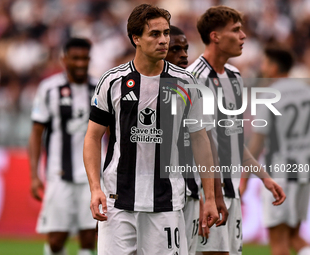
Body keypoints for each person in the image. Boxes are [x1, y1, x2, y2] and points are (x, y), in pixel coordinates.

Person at [83, 4, 219, 255]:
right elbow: (92, 137)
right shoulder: (112, 81)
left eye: (166, 33)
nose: (164, 40)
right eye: (155, 34)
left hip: (166, 203)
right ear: (136, 39)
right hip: (118, 202)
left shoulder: (185, 83)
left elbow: (201, 141)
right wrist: (95, 188)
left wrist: (209, 197)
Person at [186, 6, 286, 255]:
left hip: (230, 192)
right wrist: (206, 196)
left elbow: (232, 139)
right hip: (203, 195)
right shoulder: (193, 78)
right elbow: (196, 144)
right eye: (236, 30)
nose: (243, 36)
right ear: (215, 36)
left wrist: (264, 177)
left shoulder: (234, 76)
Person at [29, 38, 97, 255]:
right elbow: (36, 133)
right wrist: (34, 174)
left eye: (84, 58)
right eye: (75, 58)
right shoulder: (49, 89)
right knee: (57, 239)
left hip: (92, 176)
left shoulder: (100, 88)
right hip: (59, 173)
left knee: (89, 236)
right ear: (64, 59)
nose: (80, 63)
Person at [165, 25, 228, 255]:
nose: (183, 54)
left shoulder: (190, 89)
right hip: (152, 199)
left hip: (188, 195)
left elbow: (205, 142)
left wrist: (209, 197)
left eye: (185, 48)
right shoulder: (141, 89)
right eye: (176, 49)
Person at [242, 46, 310, 255]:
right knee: (293, 237)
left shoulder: (270, 94)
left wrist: (244, 176)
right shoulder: (306, 91)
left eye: (264, 63)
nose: (262, 68)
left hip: (279, 171)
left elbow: (258, 141)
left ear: (273, 67)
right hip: (303, 169)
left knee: (278, 242)